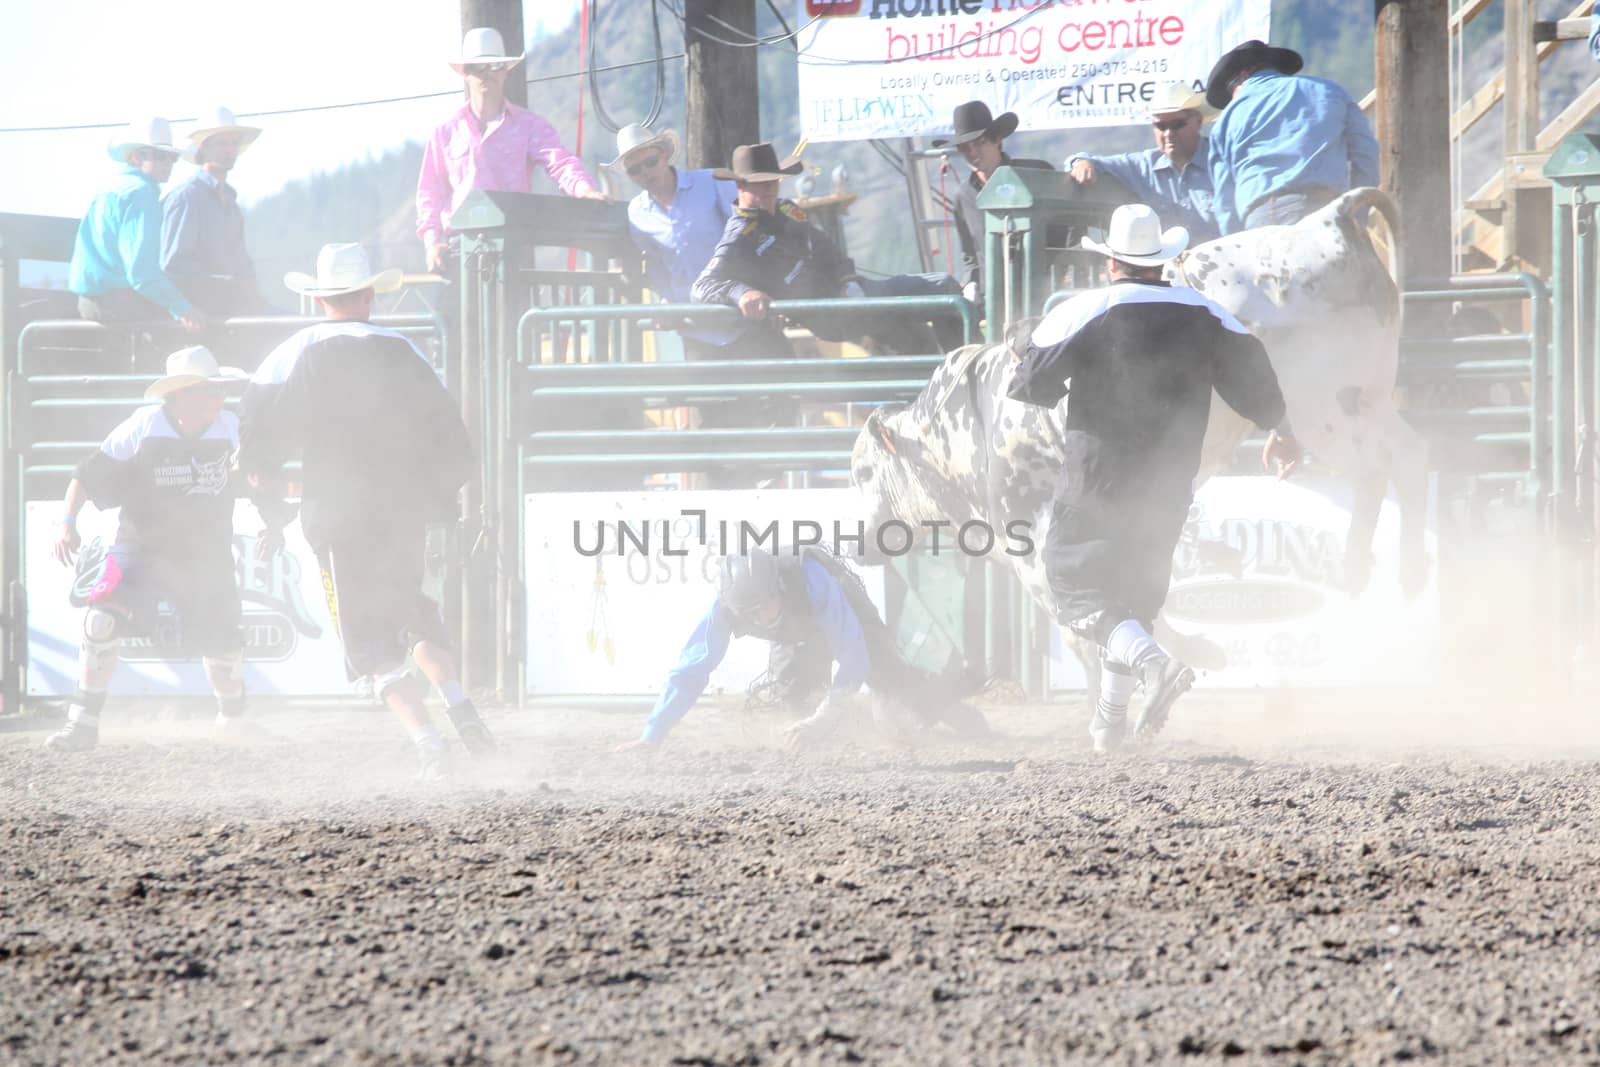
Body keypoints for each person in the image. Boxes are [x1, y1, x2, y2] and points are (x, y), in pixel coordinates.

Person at [1007, 204, 1302, 753]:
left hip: (1100, 477)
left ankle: (1156, 667)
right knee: (1133, 600)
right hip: (1169, 481)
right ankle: (1109, 724)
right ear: (1161, 262)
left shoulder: (1087, 309)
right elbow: (1256, 381)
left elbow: (1032, 386)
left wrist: (1023, 343)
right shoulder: (1207, 313)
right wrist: (1281, 430)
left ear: (1112, 263)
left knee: (1073, 583)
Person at [237, 243, 491, 779]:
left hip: (335, 511)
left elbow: (259, 426)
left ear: (317, 297)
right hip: (401, 508)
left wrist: (267, 490)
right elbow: (451, 435)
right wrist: (440, 495)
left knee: (369, 645)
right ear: (371, 294)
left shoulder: (299, 349)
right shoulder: (404, 350)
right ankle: (460, 706)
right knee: (412, 610)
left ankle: (429, 747)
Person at [43, 346, 251, 751]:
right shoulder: (144, 425)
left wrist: (273, 513)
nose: (218, 397)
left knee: (223, 639)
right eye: (209, 390)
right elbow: (88, 473)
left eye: (218, 390)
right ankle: (83, 721)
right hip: (139, 546)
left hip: (206, 551)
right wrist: (66, 522)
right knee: (101, 618)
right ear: (181, 395)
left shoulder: (233, 428)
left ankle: (232, 719)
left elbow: (262, 476)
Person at [619, 547, 989, 750]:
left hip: (845, 615)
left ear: (778, 584)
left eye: (766, 604)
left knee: (898, 693)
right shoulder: (725, 609)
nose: (762, 617)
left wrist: (825, 717)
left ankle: (954, 710)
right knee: (795, 703)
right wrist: (652, 735)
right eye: (753, 612)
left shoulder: (812, 580)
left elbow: (853, 654)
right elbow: (692, 668)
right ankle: (845, 736)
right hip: (797, 638)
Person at [691, 142, 963, 356]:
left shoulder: (787, 210)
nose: (767, 188)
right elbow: (701, 287)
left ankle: (927, 404)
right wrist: (742, 293)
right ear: (740, 186)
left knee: (919, 343)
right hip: (831, 314)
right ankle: (966, 379)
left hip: (850, 297)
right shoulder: (740, 234)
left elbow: (826, 246)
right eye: (757, 183)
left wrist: (848, 280)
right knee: (944, 286)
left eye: (771, 180)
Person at [417, 27, 607, 275]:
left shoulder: (529, 126)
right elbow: (429, 192)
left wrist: (584, 190)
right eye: (477, 68)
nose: (487, 74)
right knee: (453, 314)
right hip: (458, 249)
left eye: (495, 66)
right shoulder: (444, 132)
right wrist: (432, 242)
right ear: (466, 74)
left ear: (505, 72)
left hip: (513, 246)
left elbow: (559, 161)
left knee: (513, 313)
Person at [1204, 40, 1380, 235]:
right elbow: (1367, 156)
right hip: (1327, 212)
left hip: (1261, 222)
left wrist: (1235, 245)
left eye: (1231, 93)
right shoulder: (1330, 91)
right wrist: (1357, 214)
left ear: (1244, 76)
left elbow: (1225, 203)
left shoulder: (1224, 122)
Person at [69, 116, 205, 334]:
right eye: (161, 156)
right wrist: (183, 308)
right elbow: (142, 274)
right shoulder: (141, 194)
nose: (168, 164)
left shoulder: (112, 187)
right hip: (118, 304)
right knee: (190, 329)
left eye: (171, 158)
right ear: (135, 157)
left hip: (91, 301)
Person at [1067, 83, 1220, 244]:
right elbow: (1089, 161)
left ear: (1198, 122)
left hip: (1223, 262)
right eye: (1161, 126)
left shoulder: (1223, 160)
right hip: (1168, 264)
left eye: (1177, 124)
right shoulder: (1144, 165)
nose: (1168, 133)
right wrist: (1081, 162)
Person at [934, 100, 1054, 303]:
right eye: (964, 148)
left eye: (979, 143)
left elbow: (1068, 229)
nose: (972, 153)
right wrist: (971, 284)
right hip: (993, 300)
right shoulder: (964, 197)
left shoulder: (1036, 175)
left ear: (997, 140)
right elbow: (971, 256)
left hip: (1042, 293)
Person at [161, 106, 266, 320]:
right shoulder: (187, 198)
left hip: (229, 305)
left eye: (234, 143)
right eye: (222, 143)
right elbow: (174, 266)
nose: (229, 150)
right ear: (204, 148)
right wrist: (220, 284)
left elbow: (241, 261)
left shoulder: (231, 203)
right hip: (201, 312)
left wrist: (250, 291)